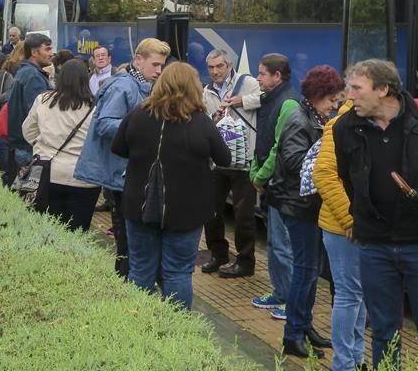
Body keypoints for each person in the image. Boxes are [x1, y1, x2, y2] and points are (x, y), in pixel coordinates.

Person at [333, 59, 418, 371]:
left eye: (356, 88)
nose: (348, 96)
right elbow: (347, 178)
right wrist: (359, 215)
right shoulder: (344, 128)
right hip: (374, 247)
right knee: (383, 332)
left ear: (383, 89)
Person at [111, 62, 231, 309]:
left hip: (139, 207)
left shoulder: (137, 115)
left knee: (141, 269)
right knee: (177, 272)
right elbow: (224, 159)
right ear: (194, 87)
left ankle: (135, 329)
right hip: (186, 212)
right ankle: (175, 334)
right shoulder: (201, 123)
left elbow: (118, 148)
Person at [74, 37, 171, 278]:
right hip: (120, 175)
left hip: (126, 173)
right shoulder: (123, 87)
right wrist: (143, 130)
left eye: (162, 66)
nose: (159, 71)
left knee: (129, 244)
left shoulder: (140, 86)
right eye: (155, 65)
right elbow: (105, 125)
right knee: (128, 244)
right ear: (138, 60)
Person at [267, 65, 345, 358]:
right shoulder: (301, 120)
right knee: (305, 271)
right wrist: (325, 153)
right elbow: (294, 162)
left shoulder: (315, 117)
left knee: (310, 271)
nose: (335, 104)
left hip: (305, 204)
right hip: (297, 205)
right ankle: (293, 333)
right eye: (331, 99)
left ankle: (304, 325)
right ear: (317, 95)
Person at [313, 99, 368, 371]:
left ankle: (355, 359)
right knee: (349, 295)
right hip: (342, 227)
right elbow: (323, 175)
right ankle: (343, 367)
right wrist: (350, 219)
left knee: (358, 295)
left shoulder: (379, 125)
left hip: (366, 228)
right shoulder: (339, 125)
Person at [200, 49, 262, 279]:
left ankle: (245, 261)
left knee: (244, 214)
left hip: (244, 160)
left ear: (229, 65)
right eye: (211, 67)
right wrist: (213, 118)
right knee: (211, 210)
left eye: (220, 66)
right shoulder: (206, 91)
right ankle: (218, 254)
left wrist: (240, 100)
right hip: (218, 160)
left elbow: (263, 98)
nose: (215, 71)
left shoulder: (248, 83)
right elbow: (204, 121)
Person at [248, 53, 300, 318]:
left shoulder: (288, 104)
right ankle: (280, 292)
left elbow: (279, 148)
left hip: (282, 187)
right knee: (273, 242)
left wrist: (260, 176)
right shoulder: (272, 99)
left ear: (277, 76)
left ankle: (291, 301)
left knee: (283, 246)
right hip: (272, 186)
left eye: (262, 73)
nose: (257, 78)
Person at [22, 60, 101, 230]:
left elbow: (28, 130)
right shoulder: (95, 107)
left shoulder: (43, 100)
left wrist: (40, 146)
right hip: (83, 177)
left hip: (45, 171)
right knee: (77, 232)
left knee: (44, 228)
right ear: (85, 79)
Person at [6, 33, 55, 172]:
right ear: (34, 52)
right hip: (28, 147)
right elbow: (38, 115)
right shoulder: (33, 76)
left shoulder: (26, 72)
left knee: (18, 190)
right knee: (27, 190)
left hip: (21, 144)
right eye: (47, 49)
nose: (51, 54)